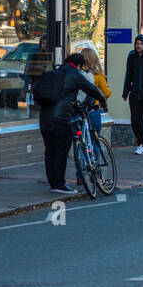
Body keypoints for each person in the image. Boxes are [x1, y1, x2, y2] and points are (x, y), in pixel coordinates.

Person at [39, 53, 107, 194]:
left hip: (44, 118)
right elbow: (91, 89)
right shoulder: (75, 74)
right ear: (79, 65)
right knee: (61, 151)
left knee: (49, 150)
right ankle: (59, 184)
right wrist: (102, 100)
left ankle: (53, 183)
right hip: (61, 119)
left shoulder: (54, 73)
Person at [77, 48, 112, 136]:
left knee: (81, 137)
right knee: (95, 139)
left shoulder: (78, 73)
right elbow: (107, 93)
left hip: (79, 110)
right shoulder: (97, 75)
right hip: (93, 110)